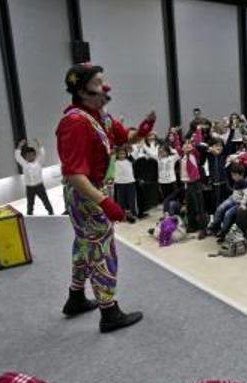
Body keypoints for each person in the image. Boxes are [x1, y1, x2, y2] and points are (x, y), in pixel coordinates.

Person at [56, 63, 155, 333]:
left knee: (84, 245)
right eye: (99, 82)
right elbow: (75, 174)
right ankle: (109, 313)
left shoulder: (102, 117)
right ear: (82, 90)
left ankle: (75, 297)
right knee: (102, 250)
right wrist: (104, 202)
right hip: (86, 193)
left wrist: (143, 131)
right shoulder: (75, 122)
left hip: (94, 190)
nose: (106, 87)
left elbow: (127, 139)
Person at [14, 138, 54, 215]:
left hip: (40, 186)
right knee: (30, 204)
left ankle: (51, 212)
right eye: (28, 155)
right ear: (25, 157)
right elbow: (17, 156)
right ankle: (29, 215)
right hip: (29, 188)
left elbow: (42, 153)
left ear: (35, 155)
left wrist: (38, 143)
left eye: (32, 155)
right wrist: (20, 146)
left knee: (45, 200)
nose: (30, 157)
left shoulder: (39, 162)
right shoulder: (24, 163)